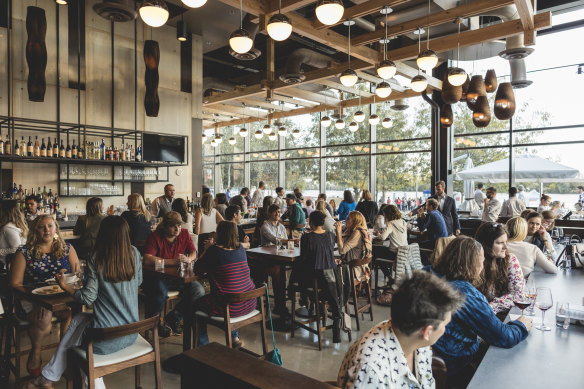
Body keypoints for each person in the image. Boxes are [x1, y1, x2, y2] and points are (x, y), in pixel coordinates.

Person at [23, 216, 142, 389]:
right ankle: (47, 377)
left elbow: (88, 298)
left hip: (106, 337)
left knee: (79, 345)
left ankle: (84, 383)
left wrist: (64, 285)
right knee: (78, 319)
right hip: (131, 333)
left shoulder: (98, 257)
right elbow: (138, 282)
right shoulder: (135, 253)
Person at [429, 237, 531, 387]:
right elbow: (503, 337)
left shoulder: (425, 273)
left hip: (423, 357)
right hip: (453, 365)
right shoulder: (465, 293)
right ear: (473, 263)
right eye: (482, 261)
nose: (483, 266)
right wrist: (522, 325)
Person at [337, 271, 464, 389]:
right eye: (445, 325)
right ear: (427, 331)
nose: (444, 330)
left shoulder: (417, 341)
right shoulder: (370, 373)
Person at [9, 215, 80, 377]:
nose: (47, 229)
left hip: (60, 297)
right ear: (35, 231)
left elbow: (77, 274)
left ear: (56, 228)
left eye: (50, 226)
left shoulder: (67, 248)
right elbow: (15, 284)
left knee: (72, 314)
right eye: (42, 227)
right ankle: (36, 352)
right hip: (31, 298)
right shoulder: (24, 252)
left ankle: (64, 356)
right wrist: (36, 299)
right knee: (44, 319)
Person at [193, 221, 256, 348]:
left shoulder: (214, 251)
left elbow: (197, 269)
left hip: (231, 308)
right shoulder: (241, 248)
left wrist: (206, 250)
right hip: (250, 303)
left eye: (216, 231)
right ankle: (234, 338)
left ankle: (203, 347)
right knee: (231, 291)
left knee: (193, 306)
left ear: (220, 234)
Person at [143, 211, 205, 336]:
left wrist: (188, 259)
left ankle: (174, 317)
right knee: (160, 292)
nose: (177, 229)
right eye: (173, 226)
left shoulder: (184, 234)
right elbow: (147, 258)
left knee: (199, 291)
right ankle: (154, 323)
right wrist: (171, 262)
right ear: (165, 226)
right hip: (159, 277)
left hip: (179, 277)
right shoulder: (155, 236)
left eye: (179, 226)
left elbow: (194, 253)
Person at [293, 211, 343, 343]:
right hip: (332, 279)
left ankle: (303, 299)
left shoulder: (306, 238)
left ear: (311, 222)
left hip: (315, 282)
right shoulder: (331, 236)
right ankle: (335, 318)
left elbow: (304, 259)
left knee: (297, 271)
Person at [475, 222, 525, 315]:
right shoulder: (474, 262)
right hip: (475, 316)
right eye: (500, 243)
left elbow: (517, 294)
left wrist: (490, 308)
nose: (505, 247)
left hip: (501, 315)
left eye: (506, 242)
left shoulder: (510, 260)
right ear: (486, 244)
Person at [336, 211, 372, 282]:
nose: (345, 220)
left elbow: (342, 250)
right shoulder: (361, 231)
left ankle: (339, 292)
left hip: (354, 270)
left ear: (355, 222)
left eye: (348, 219)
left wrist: (339, 232)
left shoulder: (357, 233)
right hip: (359, 267)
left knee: (327, 270)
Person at [194, 193, 224, 258]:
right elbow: (223, 221)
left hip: (203, 237)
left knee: (202, 256)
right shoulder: (214, 211)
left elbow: (197, 227)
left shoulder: (199, 211)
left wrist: (197, 238)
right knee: (212, 256)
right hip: (213, 236)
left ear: (202, 201)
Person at [0, 200, 28, 265]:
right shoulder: (14, 226)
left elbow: (16, 249)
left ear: (5, 212)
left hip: (7, 264)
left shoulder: (8, 228)